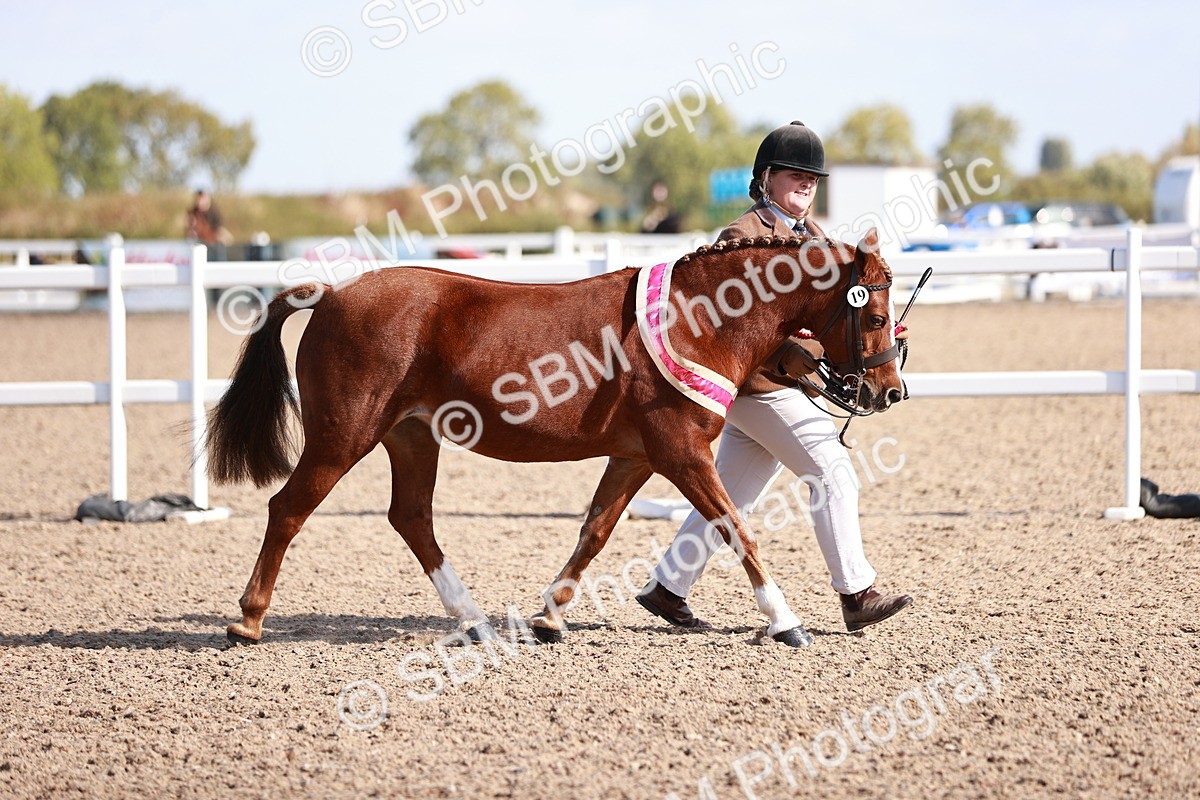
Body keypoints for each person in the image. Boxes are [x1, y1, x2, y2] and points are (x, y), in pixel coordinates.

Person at [635, 121, 913, 643]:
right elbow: (734, 328)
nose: (806, 185)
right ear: (765, 178)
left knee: (733, 492)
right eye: (794, 175)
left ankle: (668, 587)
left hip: (785, 387)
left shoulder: (818, 240)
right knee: (832, 472)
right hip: (758, 386)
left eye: (812, 178)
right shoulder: (741, 238)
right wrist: (797, 350)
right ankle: (857, 595)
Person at [185, 189, 232, 259]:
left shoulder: (213, 212)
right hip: (201, 242)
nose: (200, 202)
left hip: (214, 242)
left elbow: (218, 227)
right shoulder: (194, 213)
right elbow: (190, 228)